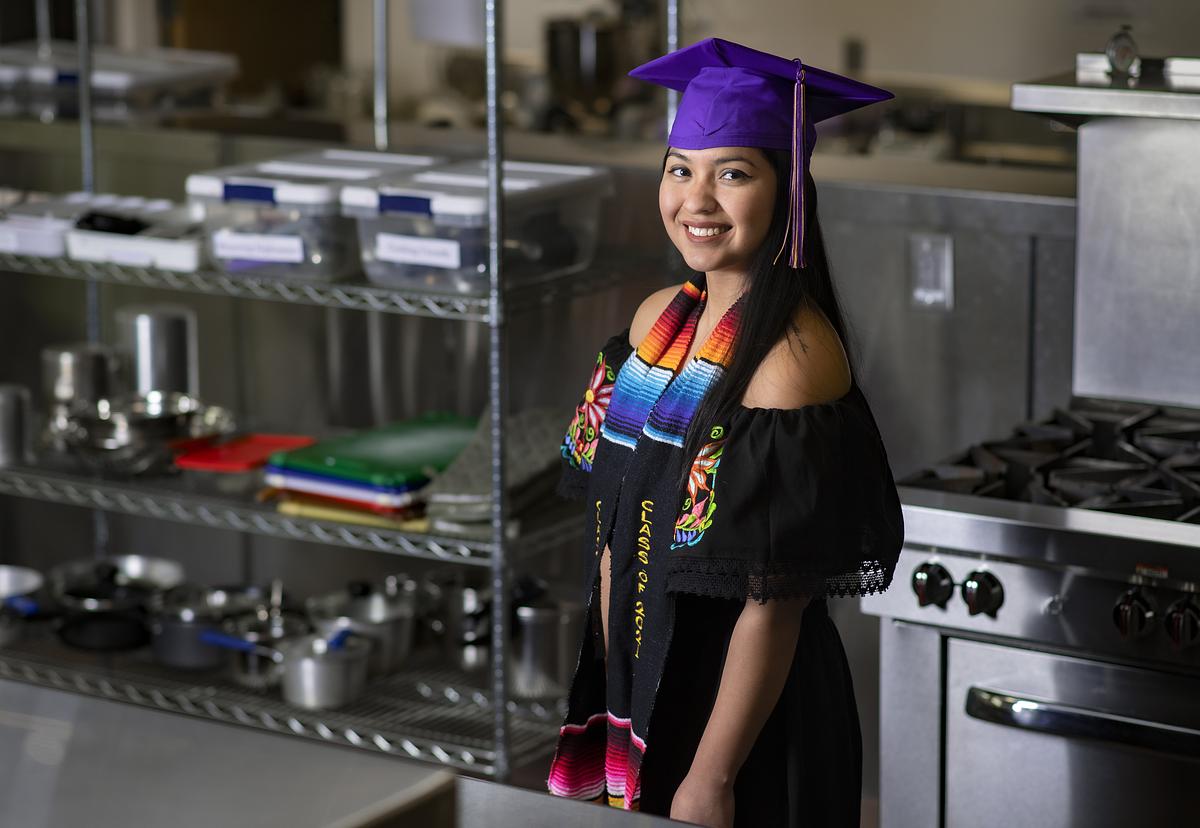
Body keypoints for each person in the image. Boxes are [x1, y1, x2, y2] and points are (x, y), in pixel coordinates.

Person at [546, 38, 904, 827]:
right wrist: (613, 687)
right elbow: (612, 525)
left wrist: (711, 779)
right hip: (645, 687)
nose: (696, 200)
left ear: (787, 193)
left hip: (740, 721)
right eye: (680, 169)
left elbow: (772, 606)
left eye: (732, 173)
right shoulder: (657, 324)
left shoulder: (789, 364)